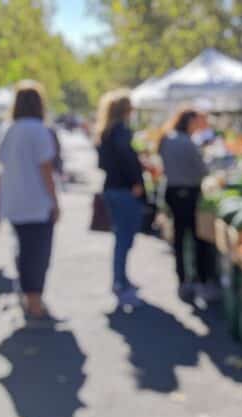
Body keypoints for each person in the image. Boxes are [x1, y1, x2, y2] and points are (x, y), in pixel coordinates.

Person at [0, 80, 59, 322]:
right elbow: (46, 170)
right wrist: (54, 201)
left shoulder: (8, 129)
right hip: (36, 202)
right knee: (37, 253)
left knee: (23, 250)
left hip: (14, 201)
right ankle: (34, 301)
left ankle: (27, 296)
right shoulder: (38, 129)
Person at [158, 108, 213, 302]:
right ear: (189, 121)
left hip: (172, 192)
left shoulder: (167, 139)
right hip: (188, 193)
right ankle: (200, 280)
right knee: (198, 238)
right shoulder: (187, 142)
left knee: (180, 238)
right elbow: (202, 170)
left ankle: (183, 280)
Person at [95, 89, 144, 307]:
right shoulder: (121, 132)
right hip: (124, 189)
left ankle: (121, 279)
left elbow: (103, 164)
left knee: (121, 237)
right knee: (125, 237)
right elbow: (128, 161)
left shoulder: (105, 132)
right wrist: (136, 182)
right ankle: (120, 282)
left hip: (111, 188)